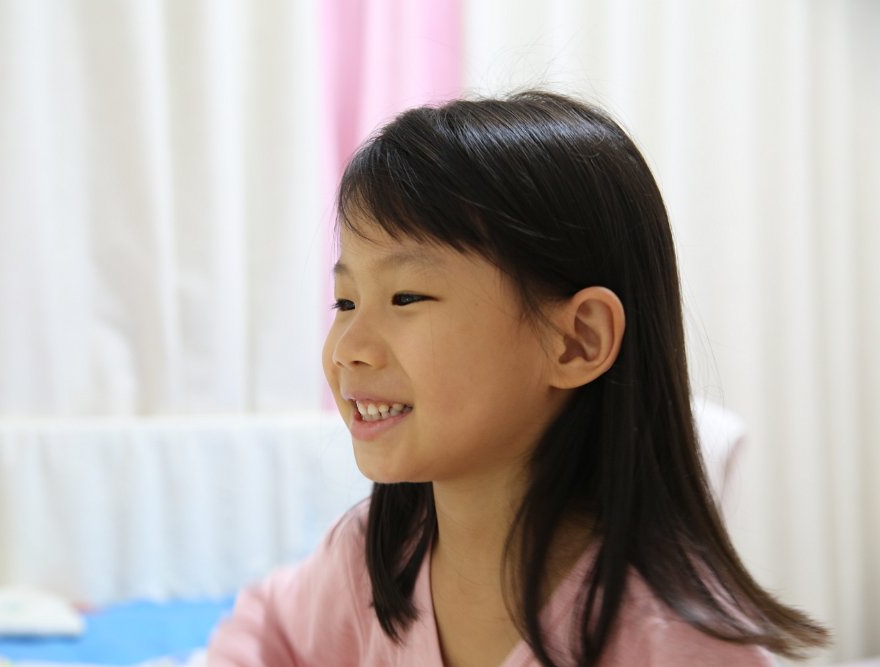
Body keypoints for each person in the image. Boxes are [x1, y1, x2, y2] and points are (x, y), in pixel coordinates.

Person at [206, 90, 829, 666]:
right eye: (345, 303)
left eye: (406, 297)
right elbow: (266, 631)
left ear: (578, 340)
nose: (348, 350)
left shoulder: (677, 646)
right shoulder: (372, 558)